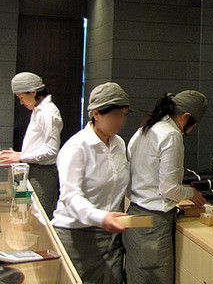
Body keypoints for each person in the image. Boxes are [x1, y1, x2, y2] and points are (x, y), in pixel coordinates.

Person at [124, 90, 208, 284]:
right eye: (194, 125)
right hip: (154, 224)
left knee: (136, 276)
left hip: (134, 214)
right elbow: (168, 189)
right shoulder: (171, 135)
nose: (192, 129)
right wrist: (190, 192)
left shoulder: (146, 127)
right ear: (186, 117)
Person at [51, 82, 131, 284]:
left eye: (124, 115)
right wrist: (101, 217)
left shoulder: (119, 144)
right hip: (77, 235)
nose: (121, 121)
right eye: (115, 115)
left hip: (110, 236)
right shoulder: (77, 147)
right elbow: (70, 196)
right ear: (96, 114)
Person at [0, 72, 63, 218]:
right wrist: (18, 155)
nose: (21, 103)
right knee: (27, 214)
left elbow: (51, 150)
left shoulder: (48, 112)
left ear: (33, 92)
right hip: (32, 170)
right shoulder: (38, 110)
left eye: (21, 97)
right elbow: (38, 144)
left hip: (43, 174)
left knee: (41, 216)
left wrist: (21, 157)